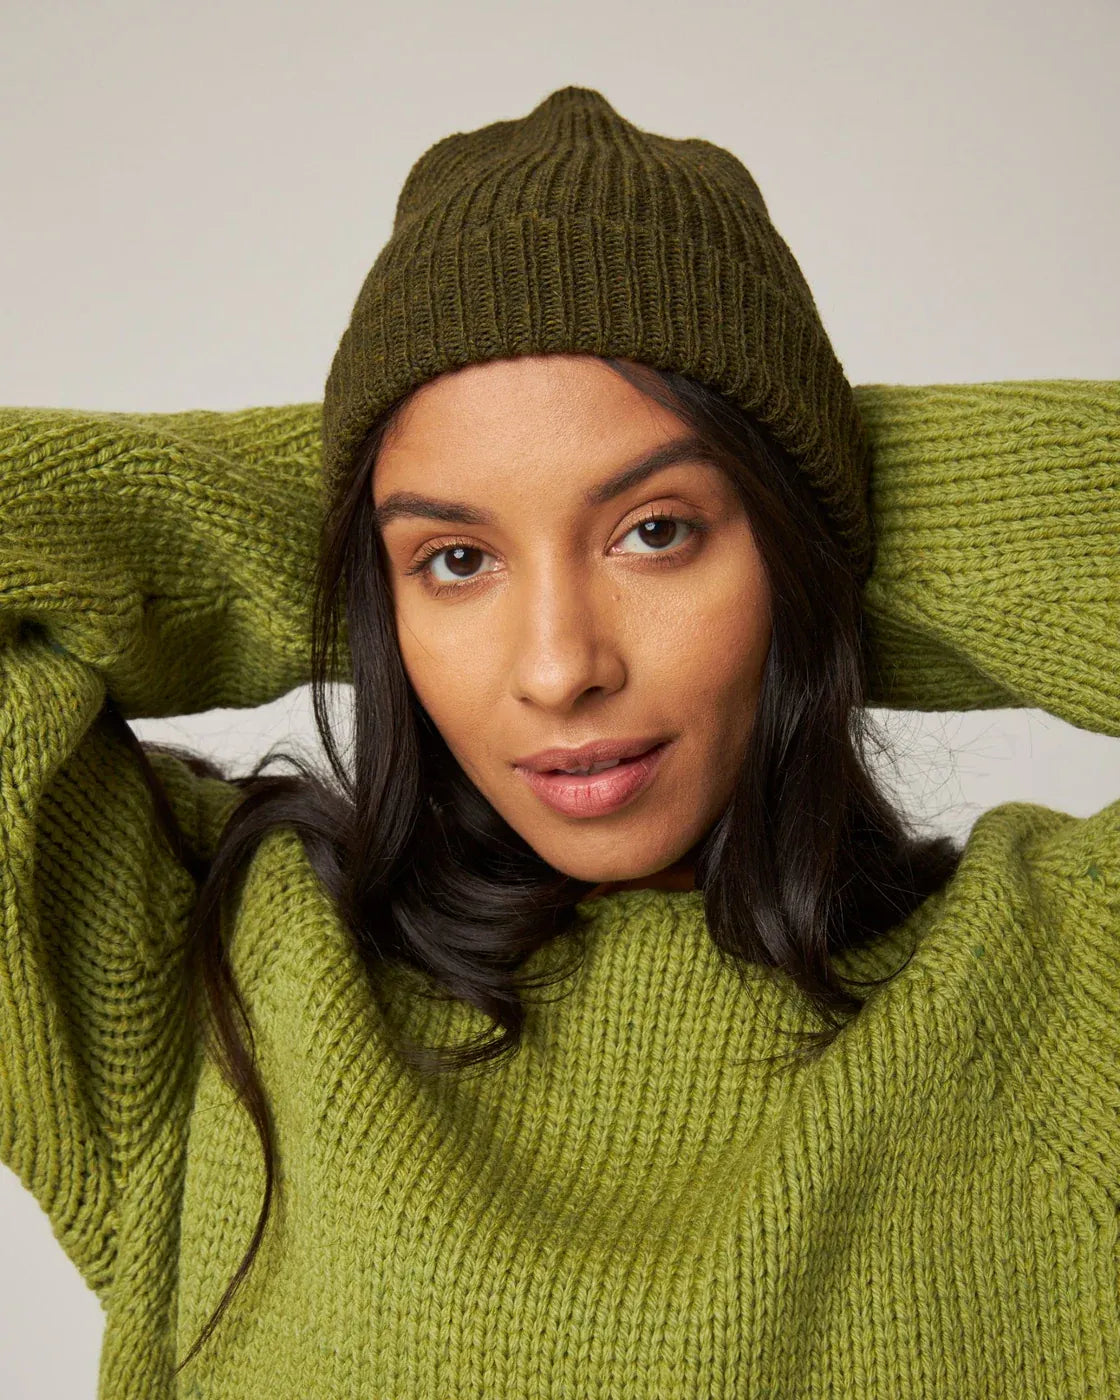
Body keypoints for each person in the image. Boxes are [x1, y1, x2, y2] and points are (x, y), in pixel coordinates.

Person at [0, 85, 1116, 1399]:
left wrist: (837, 516)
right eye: (456, 560)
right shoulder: (230, 975)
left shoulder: (1058, 993)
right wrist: (364, 520)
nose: (558, 668)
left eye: (659, 531)